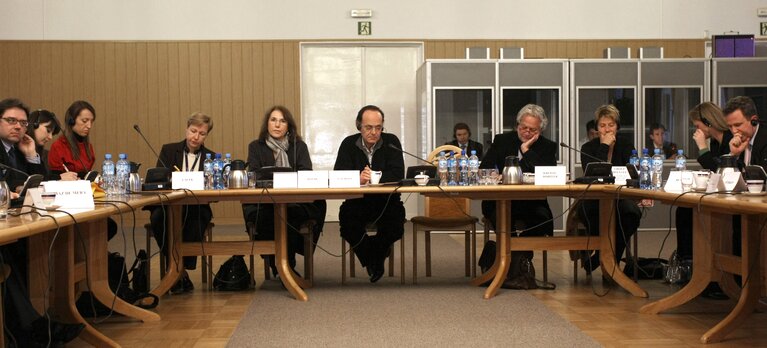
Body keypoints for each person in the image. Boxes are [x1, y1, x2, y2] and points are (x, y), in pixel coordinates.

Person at [0, 98, 84, 346]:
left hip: (17, 220)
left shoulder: (19, 149)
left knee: (40, 245)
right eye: (11, 121)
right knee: (9, 254)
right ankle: (32, 328)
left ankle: (41, 319)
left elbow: (42, 184)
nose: (18, 127)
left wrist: (32, 157)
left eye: (23, 122)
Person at [242, 106, 326, 278]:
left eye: (282, 121)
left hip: (294, 203)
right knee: (272, 215)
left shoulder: (298, 146)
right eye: (273, 120)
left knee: (291, 212)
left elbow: (306, 173)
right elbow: (255, 174)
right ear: (267, 124)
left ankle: (284, 265)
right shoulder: (256, 146)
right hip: (264, 203)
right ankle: (281, 266)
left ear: (289, 125)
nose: (277, 125)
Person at [479, 104, 556, 288]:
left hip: (532, 202)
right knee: (503, 218)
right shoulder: (502, 141)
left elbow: (548, 173)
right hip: (499, 201)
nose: (527, 132)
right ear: (517, 125)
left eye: (532, 130)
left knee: (543, 220)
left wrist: (527, 150)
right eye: (523, 128)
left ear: (540, 130)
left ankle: (514, 261)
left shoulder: (547, 146)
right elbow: (485, 167)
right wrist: (493, 174)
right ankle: (516, 264)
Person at [334, 105, 405, 283]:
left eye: (378, 127)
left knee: (396, 225)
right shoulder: (348, 144)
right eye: (368, 127)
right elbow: (338, 175)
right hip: (358, 202)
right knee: (348, 224)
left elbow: (398, 174)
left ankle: (374, 257)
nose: (374, 132)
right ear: (359, 125)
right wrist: (357, 179)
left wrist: (375, 176)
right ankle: (375, 259)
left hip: (387, 201)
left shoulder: (391, 142)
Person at [148, 112, 216, 294]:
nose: (196, 137)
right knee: (157, 218)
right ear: (187, 128)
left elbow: (215, 191)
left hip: (197, 206)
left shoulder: (211, 157)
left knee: (195, 217)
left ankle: (178, 271)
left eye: (202, 134)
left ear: (206, 135)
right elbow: (158, 181)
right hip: (169, 206)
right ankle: (180, 271)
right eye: (193, 131)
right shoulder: (169, 151)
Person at [675, 102, 733, 299]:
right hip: (720, 196)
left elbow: (721, 171)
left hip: (732, 199)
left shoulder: (730, 140)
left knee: (699, 213)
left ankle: (717, 276)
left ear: (708, 122)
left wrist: (701, 148)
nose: (696, 130)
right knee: (684, 209)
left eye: (698, 125)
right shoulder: (716, 142)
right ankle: (689, 263)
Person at [578, 104, 642, 273]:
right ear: (597, 128)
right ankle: (606, 256)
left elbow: (634, 173)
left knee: (632, 213)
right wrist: (604, 146)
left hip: (621, 197)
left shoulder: (626, 146)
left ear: (617, 127)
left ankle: (604, 256)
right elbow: (596, 175)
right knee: (589, 213)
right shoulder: (588, 148)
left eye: (611, 125)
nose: (607, 130)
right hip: (594, 199)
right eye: (602, 125)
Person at [47, 100, 97, 180]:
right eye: (84, 121)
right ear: (71, 121)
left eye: (91, 121)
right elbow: (52, 179)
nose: (89, 126)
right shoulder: (58, 147)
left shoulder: (88, 146)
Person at [26, 109, 77, 181]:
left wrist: (59, 178)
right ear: (35, 125)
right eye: (48, 130)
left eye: (52, 134)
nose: (50, 137)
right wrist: (59, 178)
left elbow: (44, 178)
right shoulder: (15, 150)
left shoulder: (43, 154)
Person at [725, 96, 766, 168]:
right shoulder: (732, 141)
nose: (734, 131)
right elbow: (727, 177)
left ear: (754, 121)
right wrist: (734, 155)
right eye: (730, 126)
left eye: (737, 125)